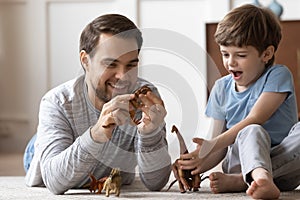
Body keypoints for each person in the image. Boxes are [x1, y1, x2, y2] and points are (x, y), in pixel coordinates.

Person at [23, 14, 171, 195]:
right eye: (111, 64)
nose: (123, 76)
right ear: (85, 61)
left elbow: (156, 183)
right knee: (43, 149)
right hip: (51, 148)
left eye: (131, 65)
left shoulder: (145, 96)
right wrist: (96, 134)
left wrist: (150, 134)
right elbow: (54, 181)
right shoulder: (56, 102)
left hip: (105, 169)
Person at [176, 4, 300, 199]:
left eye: (240, 55)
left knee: (253, 127)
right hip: (240, 161)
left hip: (285, 169)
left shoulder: (278, 75)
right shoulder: (220, 88)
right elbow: (216, 148)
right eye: (225, 54)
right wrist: (193, 164)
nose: (230, 62)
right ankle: (257, 177)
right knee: (251, 132)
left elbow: (255, 117)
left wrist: (212, 144)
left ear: (266, 54)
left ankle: (245, 180)